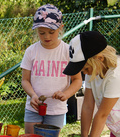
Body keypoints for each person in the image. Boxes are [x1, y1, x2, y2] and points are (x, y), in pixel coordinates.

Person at [63, 31, 120, 137]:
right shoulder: (92, 71)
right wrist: (84, 135)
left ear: (100, 58)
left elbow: (102, 115)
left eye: (86, 68)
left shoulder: (117, 76)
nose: (84, 73)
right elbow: (87, 106)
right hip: (118, 130)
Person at [20, 4, 82, 134]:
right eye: (41, 33)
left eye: (51, 32)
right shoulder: (31, 51)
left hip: (56, 110)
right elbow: (25, 80)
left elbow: (77, 80)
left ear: (61, 28)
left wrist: (66, 94)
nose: (46, 37)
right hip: (33, 108)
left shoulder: (68, 51)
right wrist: (32, 95)